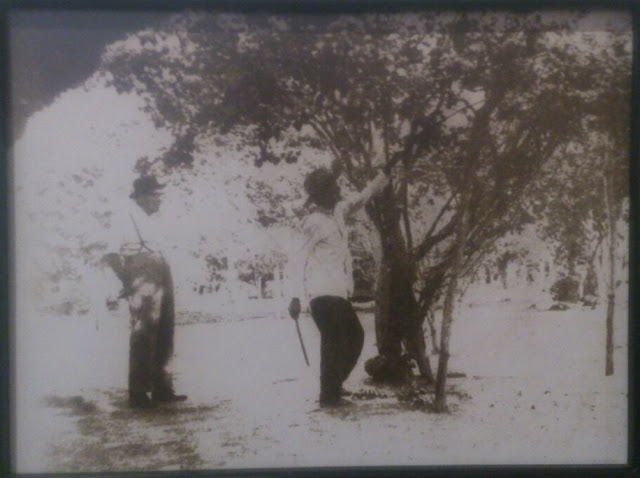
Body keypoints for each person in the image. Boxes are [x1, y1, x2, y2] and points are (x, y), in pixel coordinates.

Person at [287, 162, 392, 407]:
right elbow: (298, 257)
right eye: (333, 187)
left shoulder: (338, 212)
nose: (338, 190)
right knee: (354, 336)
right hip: (321, 292)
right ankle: (331, 390)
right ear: (322, 193)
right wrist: (294, 297)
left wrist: (382, 177)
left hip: (339, 291)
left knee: (331, 345)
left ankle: (330, 393)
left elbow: (361, 199)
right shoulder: (312, 222)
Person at [103, 174, 187, 408]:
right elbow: (111, 254)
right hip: (141, 272)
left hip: (161, 270)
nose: (160, 201)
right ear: (141, 197)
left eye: (160, 196)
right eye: (156, 196)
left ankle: (162, 388)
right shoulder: (123, 216)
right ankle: (139, 393)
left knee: (165, 328)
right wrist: (128, 280)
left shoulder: (152, 219)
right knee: (144, 331)